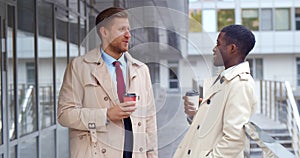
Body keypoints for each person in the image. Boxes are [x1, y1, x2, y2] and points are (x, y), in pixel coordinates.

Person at [57, 7, 158, 158]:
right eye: (122, 29)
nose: (128, 35)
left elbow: (150, 120)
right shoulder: (79, 67)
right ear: (104, 32)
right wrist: (106, 115)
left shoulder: (141, 70)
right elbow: (64, 114)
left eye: (129, 29)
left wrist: (152, 155)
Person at [173, 24, 257, 158]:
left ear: (232, 48)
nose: (214, 48)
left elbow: (233, 141)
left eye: (218, 43)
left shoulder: (241, 84)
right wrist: (195, 114)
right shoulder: (224, 78)